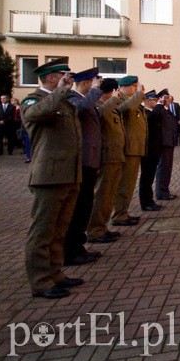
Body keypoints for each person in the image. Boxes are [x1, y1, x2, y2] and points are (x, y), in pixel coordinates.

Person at [20, 57, 85, 299]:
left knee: (60, 229)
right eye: (62, 75)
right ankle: (40, 281)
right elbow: (38, 114)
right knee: (42, 231)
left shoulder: (63, 102)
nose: (67, 79)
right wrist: (59, 92)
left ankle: (56, 273)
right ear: (50, 77)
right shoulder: (34, 100)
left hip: (69, 174)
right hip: (48, 176)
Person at [63, 68, 110, 266]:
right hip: (82, 160)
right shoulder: (72, 98)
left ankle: (78, 246)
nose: (95, 86)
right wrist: (95, 92)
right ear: (84, 83)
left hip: (91, 159)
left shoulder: (85, 99)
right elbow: (79, 109)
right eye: (92, 82)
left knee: (85, 204)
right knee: (79, 206)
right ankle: (71, 249)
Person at [87, 78, 126, 244]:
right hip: (105, 157)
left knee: (109, 195)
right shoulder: (98, 106)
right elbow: (100, 115)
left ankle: (102, 227)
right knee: (102, 194)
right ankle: (95, 230)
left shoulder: (111, 106)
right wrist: (113, 99)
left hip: (115, 156)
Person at [112, 76, 147, 226]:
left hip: (135, 148)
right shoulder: (119, 99)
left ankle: (123, 212)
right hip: (128, 148)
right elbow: (125, 109)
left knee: (129, 183)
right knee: (124, 184)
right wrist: (139, 95)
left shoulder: (131, 100)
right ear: (124, 87)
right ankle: (119, 215)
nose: (135, 89)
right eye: (133, 86)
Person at [138, 91, 164, 212]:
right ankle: (146, 202)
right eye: (154, 100)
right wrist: (159, 106)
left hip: (154, 149)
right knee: (146, 176)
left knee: (150, 176)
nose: (156, 102)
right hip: (148, 150)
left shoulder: (151, 112)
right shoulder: (145, 113)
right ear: (148, 101)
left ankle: (149, 200)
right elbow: (152, 119)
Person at [154, 90, 177, 201]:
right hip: (164, 143)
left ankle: (165, 190)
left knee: (167, 168)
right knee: (163, 168)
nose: (169, 99)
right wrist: (160, 104)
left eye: (168, 97)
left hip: (169, 142)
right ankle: (161, 192)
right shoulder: (160, 110)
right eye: (166, 97)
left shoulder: (168, 111)